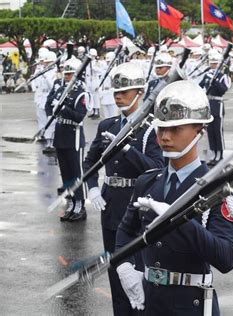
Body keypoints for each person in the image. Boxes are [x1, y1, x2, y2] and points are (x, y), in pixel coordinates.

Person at [115, 80, 233, 315]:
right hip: (149, 301)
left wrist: (180, 221)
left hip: (191, 304)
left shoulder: (218, 188)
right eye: (162, 129)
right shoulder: (148, 181)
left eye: (175, 129)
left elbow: (226, 257)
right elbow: (125, 231)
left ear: (199, 130)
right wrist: (124, 267)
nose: (165, 137)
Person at [83, 61, 165, 315]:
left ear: (139, 93)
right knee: (116, 273)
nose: (118, 97)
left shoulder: (151, 128)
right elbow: (90, 161)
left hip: (138, 208)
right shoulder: (107, 125)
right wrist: (93, 187)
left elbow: (156, 168)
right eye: (115, 92)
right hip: (111, 205)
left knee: (139, 274)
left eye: (124, 92)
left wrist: (127, 149)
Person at [45, 57, 90, 222]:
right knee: (65, 174)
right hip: (60, 135)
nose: (67, 76)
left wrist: (63, 108)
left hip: (74, 136)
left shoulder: (81, 92)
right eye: (66, 73)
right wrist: (55, 105)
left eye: (71, 73)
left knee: (76, 173)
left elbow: (79, 116)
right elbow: (48, 107)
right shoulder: (59, 89)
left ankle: (80, 205)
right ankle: (71, 202)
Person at [199, 52, 231, 166]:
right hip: (209, 103)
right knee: (210, 130)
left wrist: (215, 81)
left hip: (218, 103)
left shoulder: (223, 76)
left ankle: (220, 154)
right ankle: (213, 153)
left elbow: (223, 90)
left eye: (215, 63)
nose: (213, 65)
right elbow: (200, 85)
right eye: (212, 63)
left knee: (218, 131)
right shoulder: (208, 74)